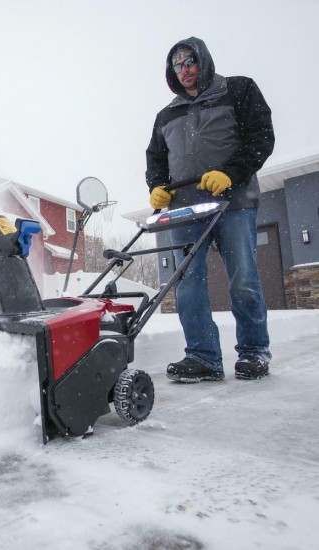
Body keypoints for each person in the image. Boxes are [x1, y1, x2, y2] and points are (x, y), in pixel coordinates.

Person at [145, 37, 275, 382]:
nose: (185, 70)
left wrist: (230, 173)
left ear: (203, 60)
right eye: (178, 65)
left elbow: (261, 137)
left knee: (243, 278)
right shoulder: (166, 115)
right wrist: (156, 187)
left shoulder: (238, 90)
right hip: (185, 210)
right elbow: (155, 160)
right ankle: (202, 356)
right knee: (188, 283)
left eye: (190, 62)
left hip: (232, 203)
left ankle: (253, 353)